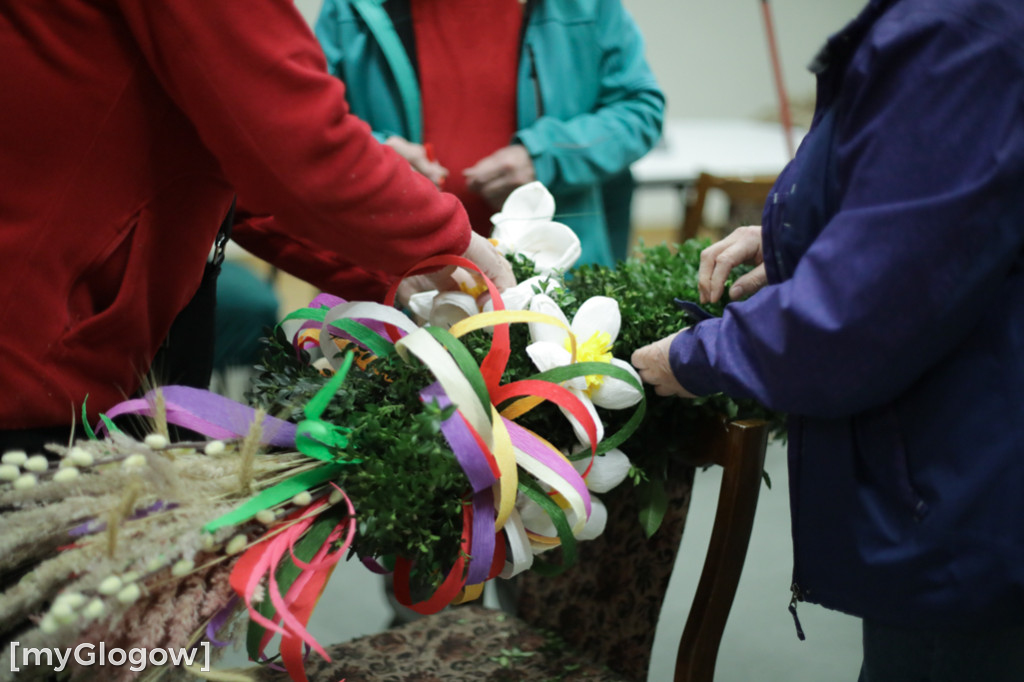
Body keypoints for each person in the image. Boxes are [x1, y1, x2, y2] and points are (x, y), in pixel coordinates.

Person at [631, 0, 1024, 679]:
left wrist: (694, 357)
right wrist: (796, 235)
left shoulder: (956, 32)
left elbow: (865, 311)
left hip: (970, 496)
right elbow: (941, 210)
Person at [0, 1, 514, 454]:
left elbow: (240, 155)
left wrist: (397, 269)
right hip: (32, 353)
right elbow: (294, 142)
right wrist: (451, 244)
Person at [308, 0, 665, 268]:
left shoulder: (587, 5)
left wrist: (545, 157)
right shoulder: (351, 8)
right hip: (393, 274)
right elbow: (309, 126)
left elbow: (640, 108)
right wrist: (379, 158)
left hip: (553, 273)